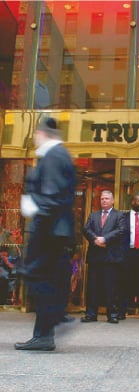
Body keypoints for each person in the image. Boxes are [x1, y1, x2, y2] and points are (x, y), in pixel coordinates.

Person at [14, 116, 76, 351]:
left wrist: (32, 208)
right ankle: (45, 332)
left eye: (36, 135)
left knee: (35, 276)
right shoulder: (58, 155)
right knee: (45, 278)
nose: (34, 139)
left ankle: (56, 317)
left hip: (49, 230)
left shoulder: (53, 156)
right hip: (55, 230)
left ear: (43, 134)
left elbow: (51, 197)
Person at [82, 190, 125, 324]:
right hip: (95, 255)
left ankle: (112, 314)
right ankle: (91, 314)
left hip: (111, 256)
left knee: (111, 287)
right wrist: (95, 239)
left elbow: (121, 230)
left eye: (106, 198)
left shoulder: (119, 215)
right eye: (102, 199)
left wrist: (105, 239)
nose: (104, 201)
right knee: (93, 287)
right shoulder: (93, 215)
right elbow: (86, 229)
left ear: (112, 201)